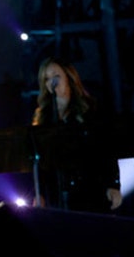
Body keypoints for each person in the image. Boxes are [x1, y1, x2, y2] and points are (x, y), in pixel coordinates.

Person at [31, 57, 121, 213]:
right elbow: (38, 161)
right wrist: (38, 194)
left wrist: (113, 185)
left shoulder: (90, 110)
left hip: (91, 189)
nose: (52, 82)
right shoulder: (44, 118)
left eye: (56, 76)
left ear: (68, 77)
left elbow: (106, 150)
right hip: (58, 193)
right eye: (47, 79)